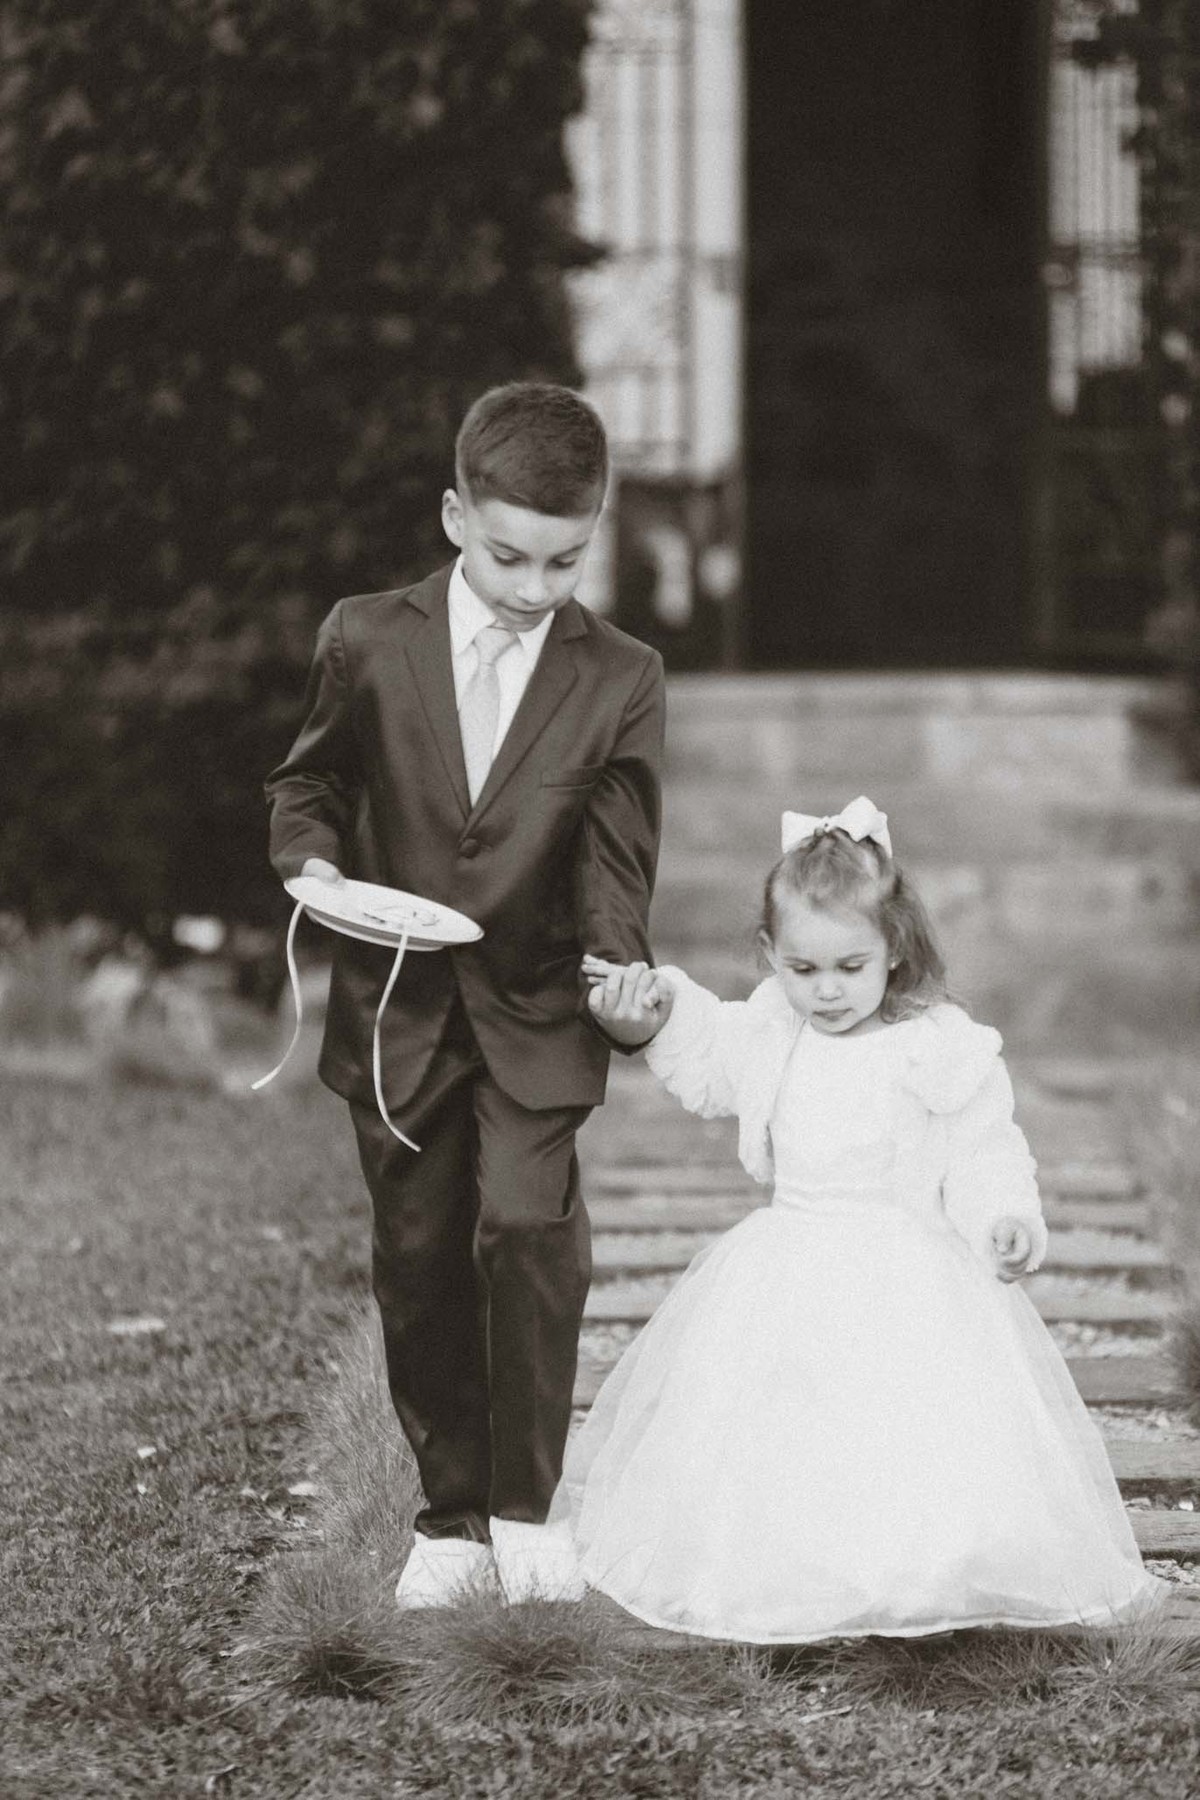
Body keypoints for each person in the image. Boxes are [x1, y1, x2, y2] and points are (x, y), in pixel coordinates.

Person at [562, 798, 1165, 1643]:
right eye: (802, 968)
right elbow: (708, 1053)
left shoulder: (935, 1046)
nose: (827, 989)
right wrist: (653, 1013)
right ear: (770, 955)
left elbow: (984, 1148)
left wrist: (1004, 1217)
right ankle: (792, 1566)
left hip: (906, 1267)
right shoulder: (773, 1031)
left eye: (851, 966)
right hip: (790, 1259)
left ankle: (918, 1566)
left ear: (895, 949)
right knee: (786, 1422)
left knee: (901, 1423)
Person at [265, 383, 665, 1606]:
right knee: (420, 1252)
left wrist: (618, 979)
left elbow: (615, 860)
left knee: (530, 1232)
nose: (536, 588)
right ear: (454, 517)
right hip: (397, 1007)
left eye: (565, 561)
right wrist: (312, 865)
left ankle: (526, 1511)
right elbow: (310, 784)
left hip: (540, 1010)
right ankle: (448, 1521)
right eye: (508, 557)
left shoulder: (623, 676)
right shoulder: (364, 638)